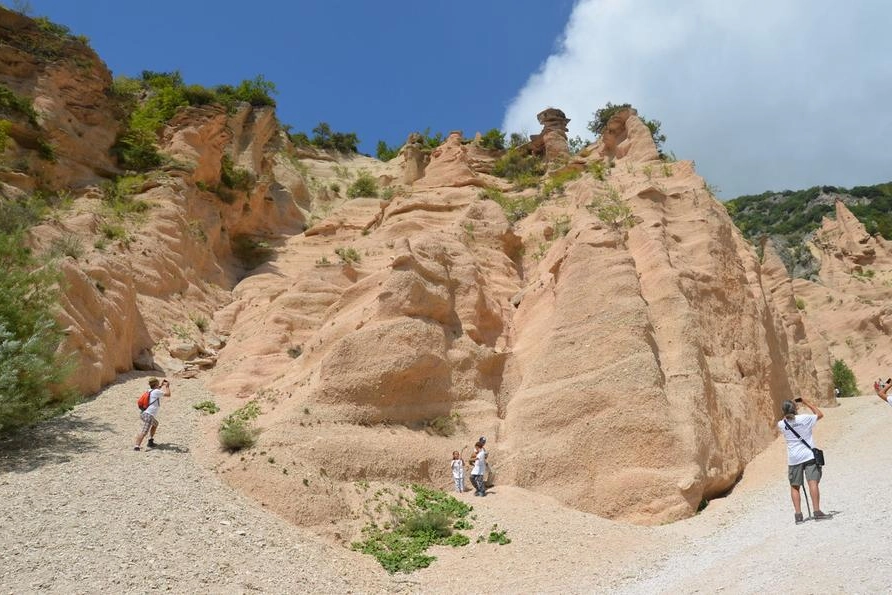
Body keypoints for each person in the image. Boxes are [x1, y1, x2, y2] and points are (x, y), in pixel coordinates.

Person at [778, 397, 829, 523]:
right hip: (808, 455)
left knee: (795, 486)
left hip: (794, 459)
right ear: (796, 408)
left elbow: (786, 419)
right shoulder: (805, 418)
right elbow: (820, 414)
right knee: (813, 483)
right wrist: (806, 402)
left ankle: (798, 515)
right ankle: (817, 512)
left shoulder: (781, 424)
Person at [133, 377, 170, 451]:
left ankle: (150, 440)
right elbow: (168, 394)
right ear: (156, 384)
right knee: (144, 431)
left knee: (155, 424)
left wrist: (161, 385)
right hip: (148, 415)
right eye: (158, 383)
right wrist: (167, 386)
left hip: (144, 413)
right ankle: (136, 446)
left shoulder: (150, 390)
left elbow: (157, 390)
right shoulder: (156, 392)